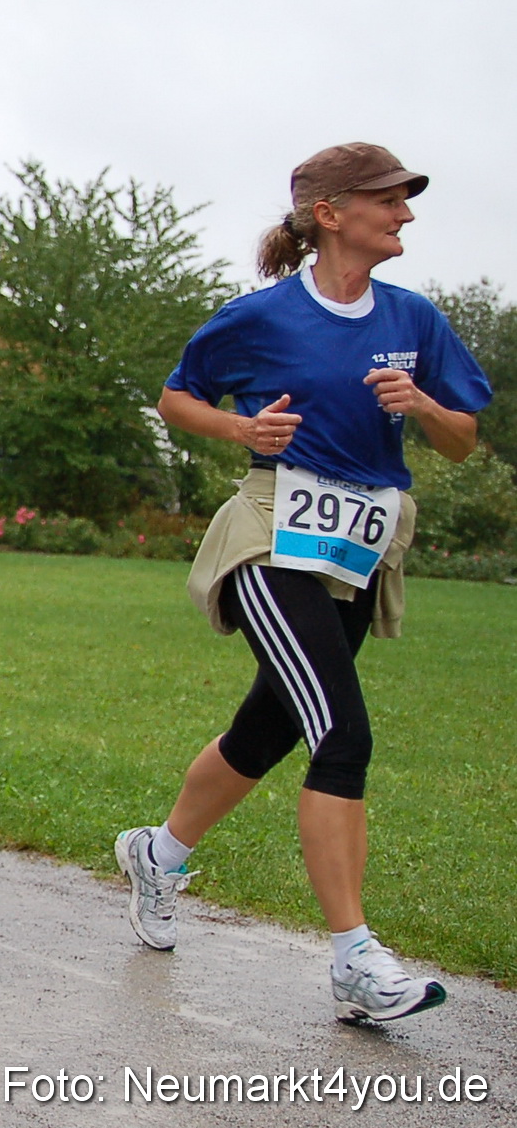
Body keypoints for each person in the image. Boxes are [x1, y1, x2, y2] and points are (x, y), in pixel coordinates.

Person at [114, 143, 491, 1023]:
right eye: (389, 200)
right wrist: (242, 429)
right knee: (343, 734)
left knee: (267, 729)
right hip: (268, 542)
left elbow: (463, 438)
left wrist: (423, 406)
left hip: (353, 558)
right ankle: (356, 959)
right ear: (331, 213)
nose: (404, 215)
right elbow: (177, 398)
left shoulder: (414, 318)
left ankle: (157, 855)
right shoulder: (262, 316)